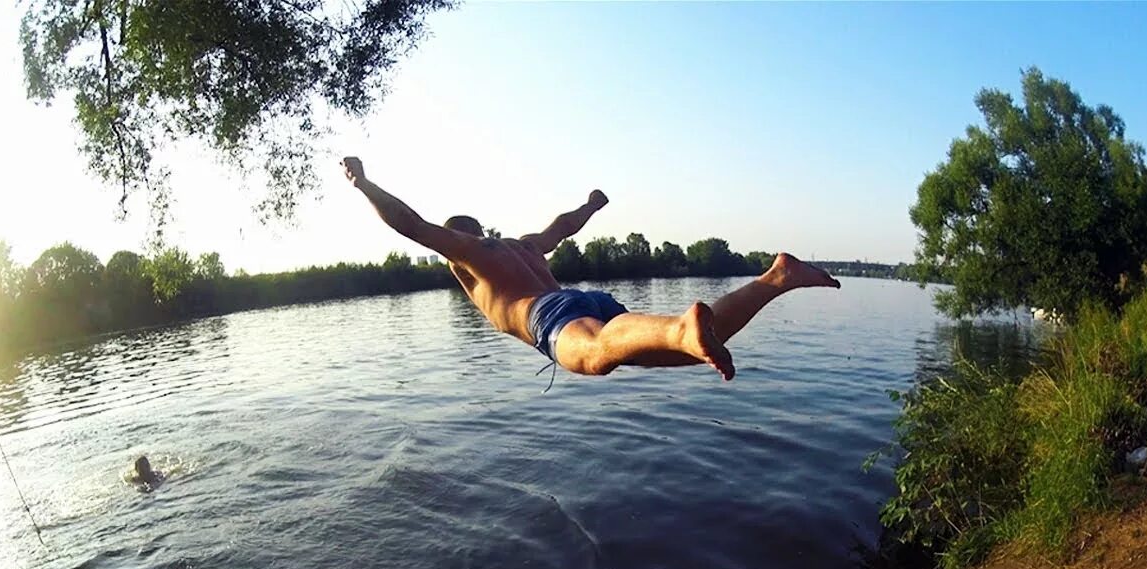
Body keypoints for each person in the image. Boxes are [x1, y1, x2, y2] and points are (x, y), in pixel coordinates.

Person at [342, 156, 840, 381]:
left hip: (550, 314)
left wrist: (363, 183)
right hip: (588, 300)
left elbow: (409, 223)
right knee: (684, 350)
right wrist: (592, 206)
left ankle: (686, 327)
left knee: (597, 356)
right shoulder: (521, 246)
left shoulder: (470, 255)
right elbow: (562, 227)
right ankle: (776, 278)